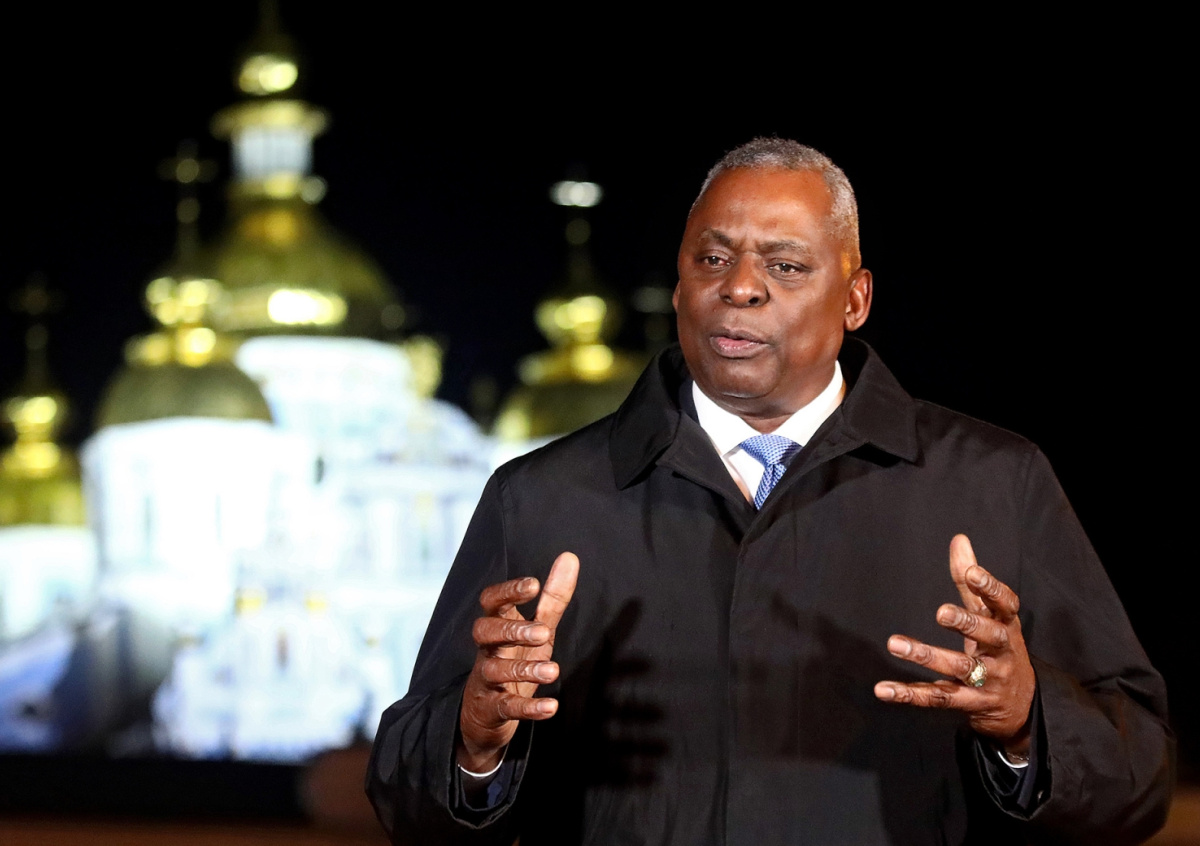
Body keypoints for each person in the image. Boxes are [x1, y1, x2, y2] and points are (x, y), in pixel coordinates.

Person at [366, 139, 1173, 845]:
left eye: (785, 266)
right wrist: (474, 743)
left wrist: (1027, 724)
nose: (740, 288)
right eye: (711, 260)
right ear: (678, 287)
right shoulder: (543, 499)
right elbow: (406, 803)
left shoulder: (993, 481)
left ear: (855, 299)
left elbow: (1138, 785)